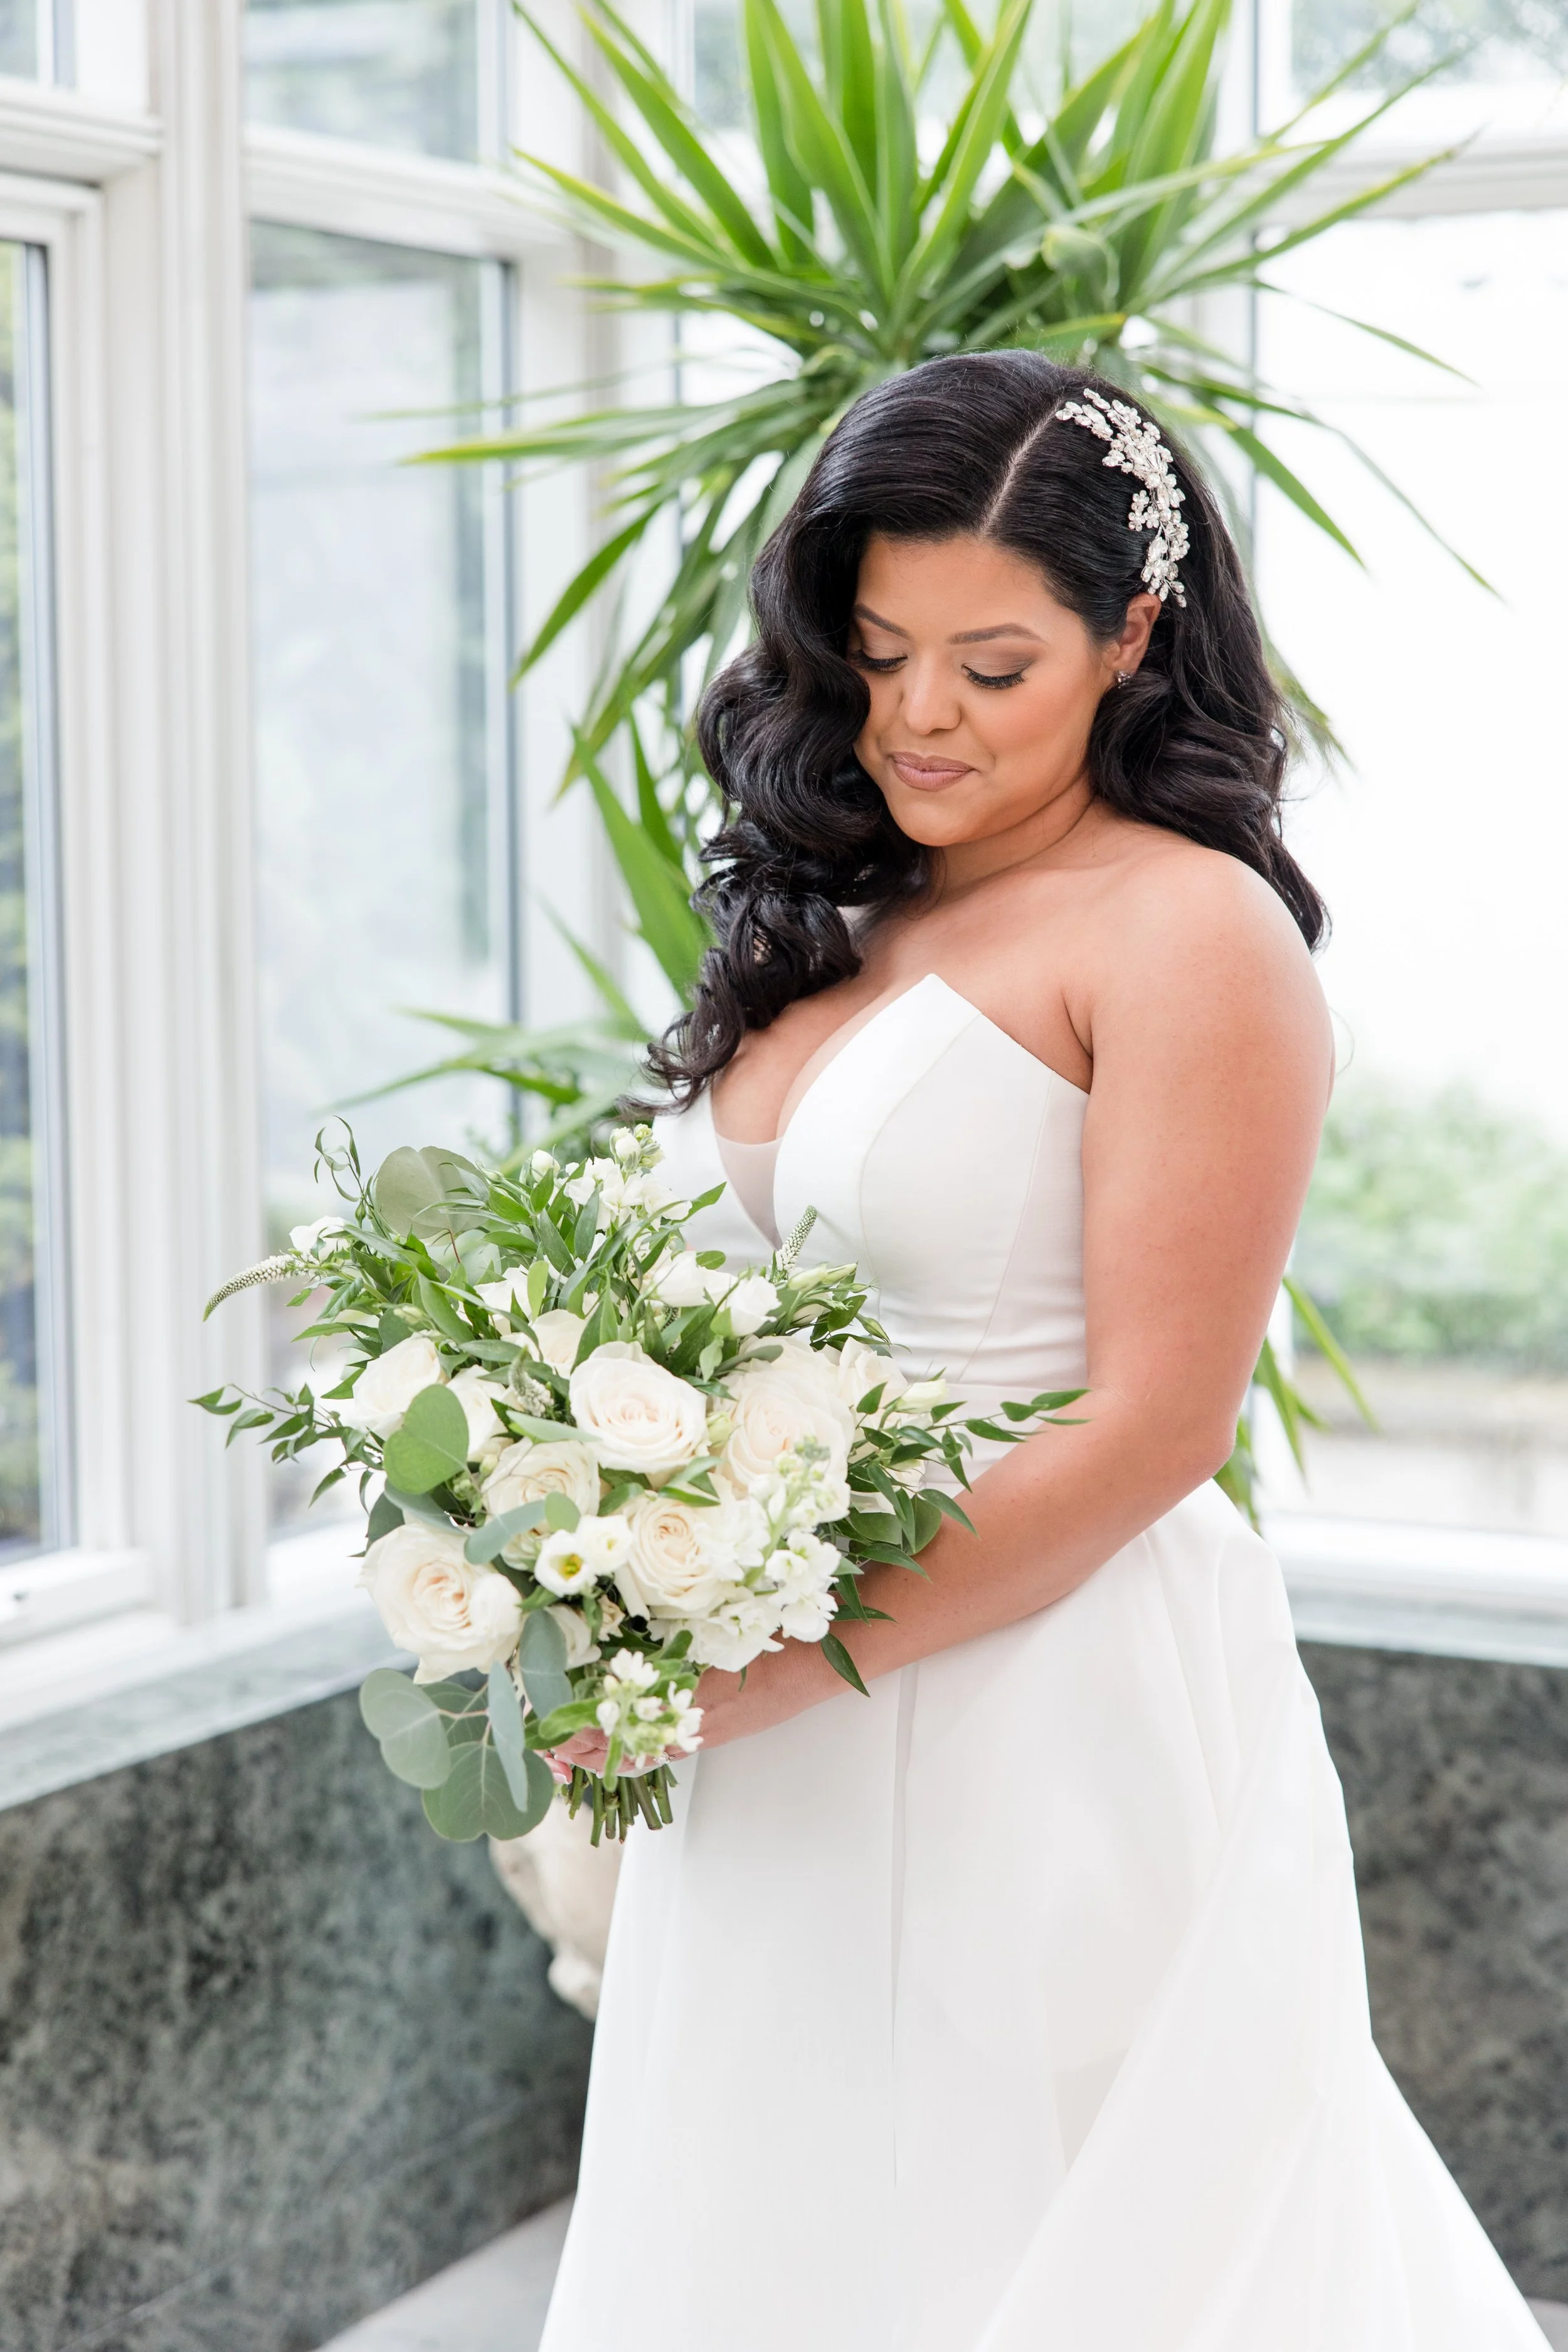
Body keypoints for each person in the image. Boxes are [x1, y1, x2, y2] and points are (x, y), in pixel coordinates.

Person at [539, 352, 1546, 2349]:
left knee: (1054, 2256)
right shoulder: (847, 903)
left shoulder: (1185, 933)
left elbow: (1156, 1425)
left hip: (1035, 1705)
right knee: (772, 2230)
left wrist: (753, 1662)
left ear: (1128, 637)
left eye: (991, 663)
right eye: (880, 645)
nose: (917, 712)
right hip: (772, 1721)